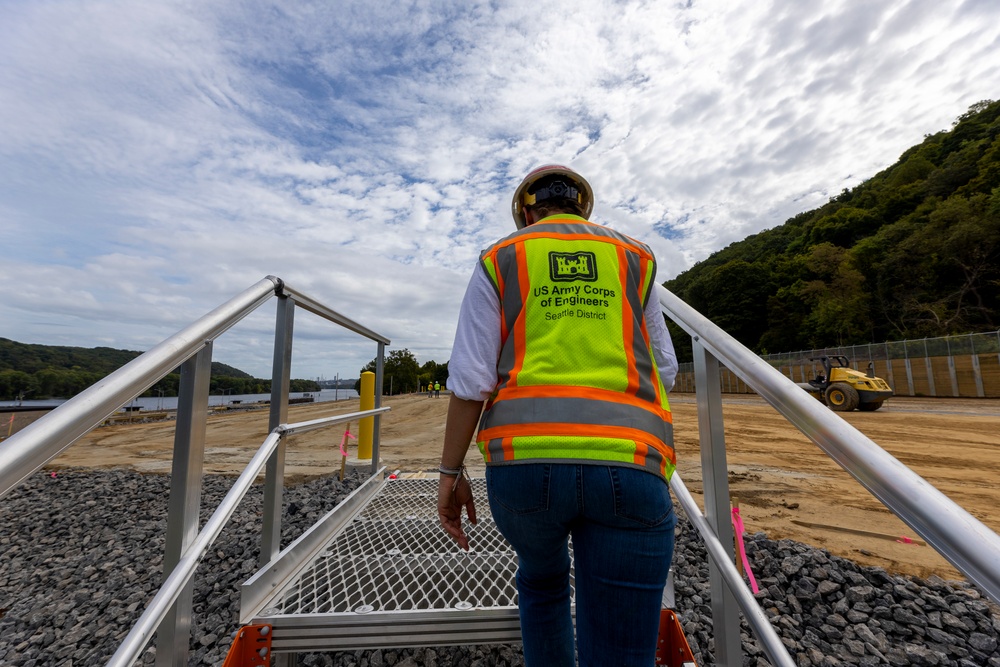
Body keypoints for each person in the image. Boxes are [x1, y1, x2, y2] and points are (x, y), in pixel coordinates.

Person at [437, 164, 679, 666]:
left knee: (543, 582)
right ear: (583, 208)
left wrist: (449, 473)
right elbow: (667, 369)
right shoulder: (634, 258)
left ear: (527, 212)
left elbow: (471, 379)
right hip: (630, 461)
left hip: (525, 469)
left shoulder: (501, 257)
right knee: (619, 638)